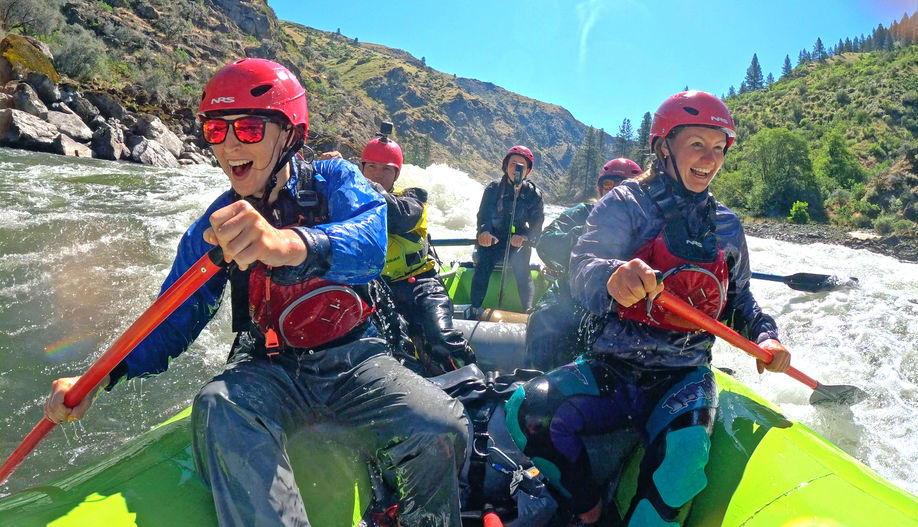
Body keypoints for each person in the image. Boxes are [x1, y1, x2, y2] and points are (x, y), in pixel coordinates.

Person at [43, 58, 468, 527]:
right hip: (271, 366)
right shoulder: (215, 224)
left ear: (289, 134)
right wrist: (100, 377)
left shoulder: (335, 180)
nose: (228, 147)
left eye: (247, 129)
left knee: (442, 427)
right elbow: (173, 316)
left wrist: (286, 244)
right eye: (215, 131)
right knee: (216, 405)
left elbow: (370, 242)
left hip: (356, 359)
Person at [504, 91, 791, 526]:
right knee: (525, 410)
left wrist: (765, 335)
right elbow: (583, 265)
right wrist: (613, 275)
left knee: (681, 467)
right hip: (614, 366)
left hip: (684, 373)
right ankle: (589, 510)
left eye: (719, 148)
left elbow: (739, 299)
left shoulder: (727, 225)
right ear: (663, 146)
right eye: (697, 144)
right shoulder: (625, 203)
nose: (709, 159)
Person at [360, 124, 474, 375]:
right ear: (362, 168)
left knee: (443, 341)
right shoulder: (347, 202)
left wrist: (357, 183)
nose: (377, 175)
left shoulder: (412, 199)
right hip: (378, 290)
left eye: (386, 170)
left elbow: (398, 216)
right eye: (371, 168)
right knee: (394, 349)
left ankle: (471, 384)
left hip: (420, 286)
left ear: (397, 175)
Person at [525, 158, 642, 371]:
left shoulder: (647, 226)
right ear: (600, 189)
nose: (616, 193)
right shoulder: (583, 213)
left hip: (625, 307)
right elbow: (546, 243)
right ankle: (535, 379)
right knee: (545, 318)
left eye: (624, 187)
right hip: (573, 295)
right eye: (609, 186)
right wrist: (586, 237)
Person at [470, 145, 544, 313]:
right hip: (494, 239)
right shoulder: (493, 189)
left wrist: (525, 238)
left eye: (521, 166)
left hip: (517, 242)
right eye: (513, 164)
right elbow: (484, 216)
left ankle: (528, 309)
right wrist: (484, 232)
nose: (516, 168)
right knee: (484, 260)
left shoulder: (534, 194)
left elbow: (537, 226)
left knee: (521, 262)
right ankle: (475, 308)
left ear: (527, 171)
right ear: (505, 166)